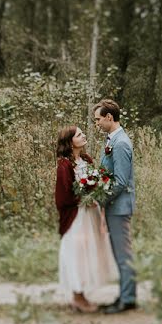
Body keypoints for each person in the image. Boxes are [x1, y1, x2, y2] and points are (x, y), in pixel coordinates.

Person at [54, 126, 118, 313]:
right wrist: (82, 199)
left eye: (82, 133)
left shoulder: (87, 160)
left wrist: (98, 191)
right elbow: (63, 196)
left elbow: (96, 180)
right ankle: (77, 296)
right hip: (77, 217)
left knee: (91, 251)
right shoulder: (64, 165)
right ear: (70, 141)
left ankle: (82, 293)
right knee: (77, 253)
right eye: (79, 135)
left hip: (91, 214)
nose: (83, 136)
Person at [94, 99, 138, 313]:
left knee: (123, 254)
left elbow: (120, 181)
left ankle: (128, 299)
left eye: (98, 119)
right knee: (120, 254)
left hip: (119, 208)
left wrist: (100, 199)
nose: (97, 123)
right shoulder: (113, 140)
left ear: (109, 117)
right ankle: (123, 295)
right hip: (115, 207)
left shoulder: (120, 143)